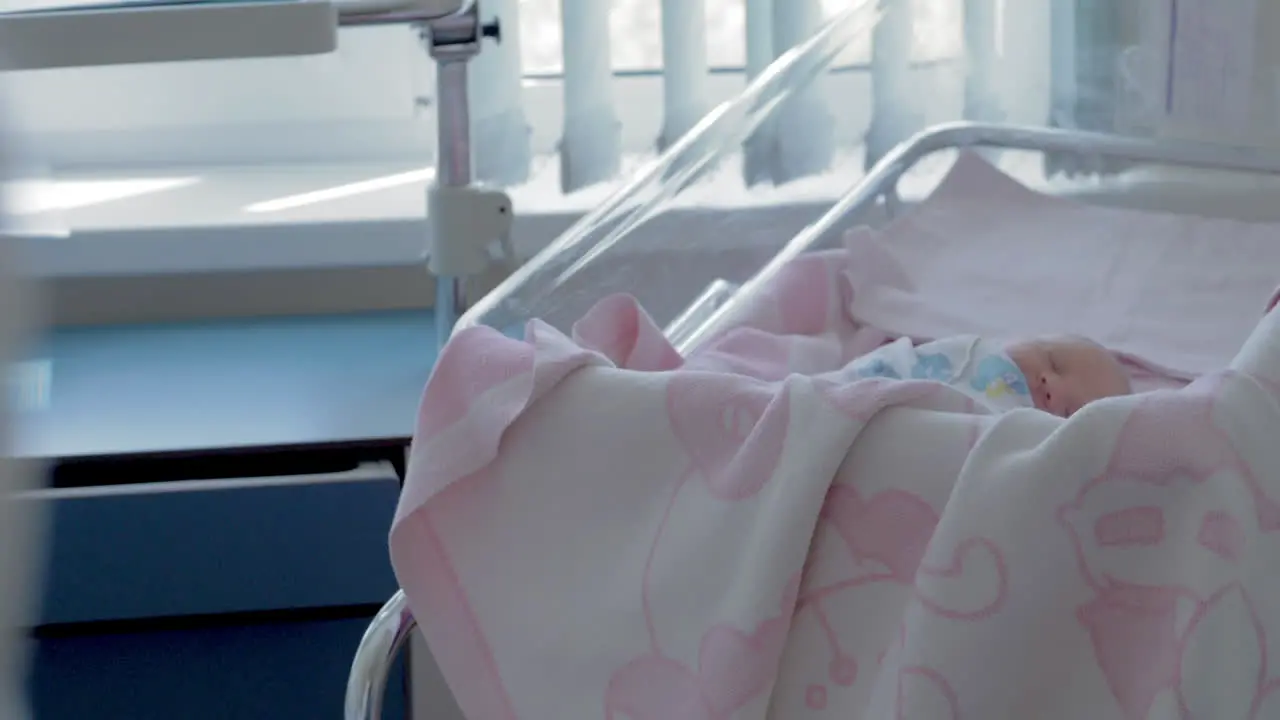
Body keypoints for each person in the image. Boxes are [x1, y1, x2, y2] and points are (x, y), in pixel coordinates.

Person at [847, 333, 1132, 417]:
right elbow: (896, 364)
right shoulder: (968, 356)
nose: (1050, 384)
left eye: (1070, 410)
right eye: (1052, 362)